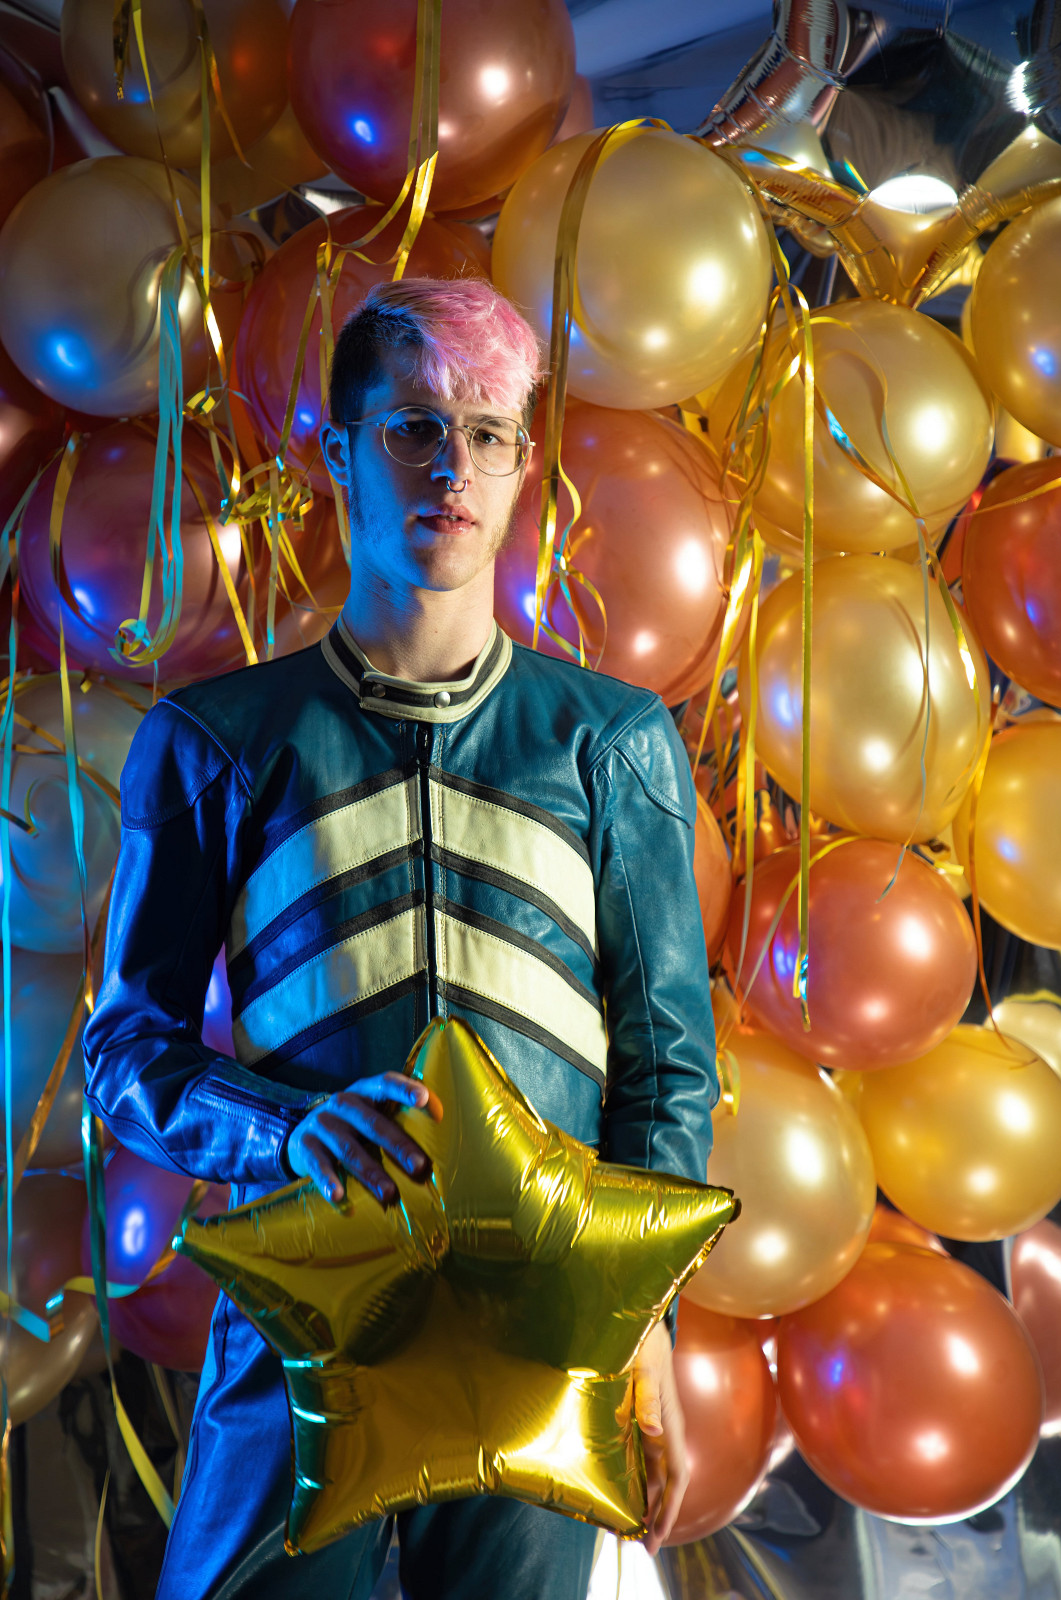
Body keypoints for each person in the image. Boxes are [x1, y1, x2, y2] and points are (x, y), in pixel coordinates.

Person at [83, 276, 717, 1600]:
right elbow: (125, 1054)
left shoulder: (612, 744)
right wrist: (284, 1130)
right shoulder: (216, 742)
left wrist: (645, 1321)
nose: (452, 466)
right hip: (302, 1319)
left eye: (487, 432)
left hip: (541, 1335)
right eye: (413, 427)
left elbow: (667, 1065)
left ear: (525, 463)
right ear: (337, 452)